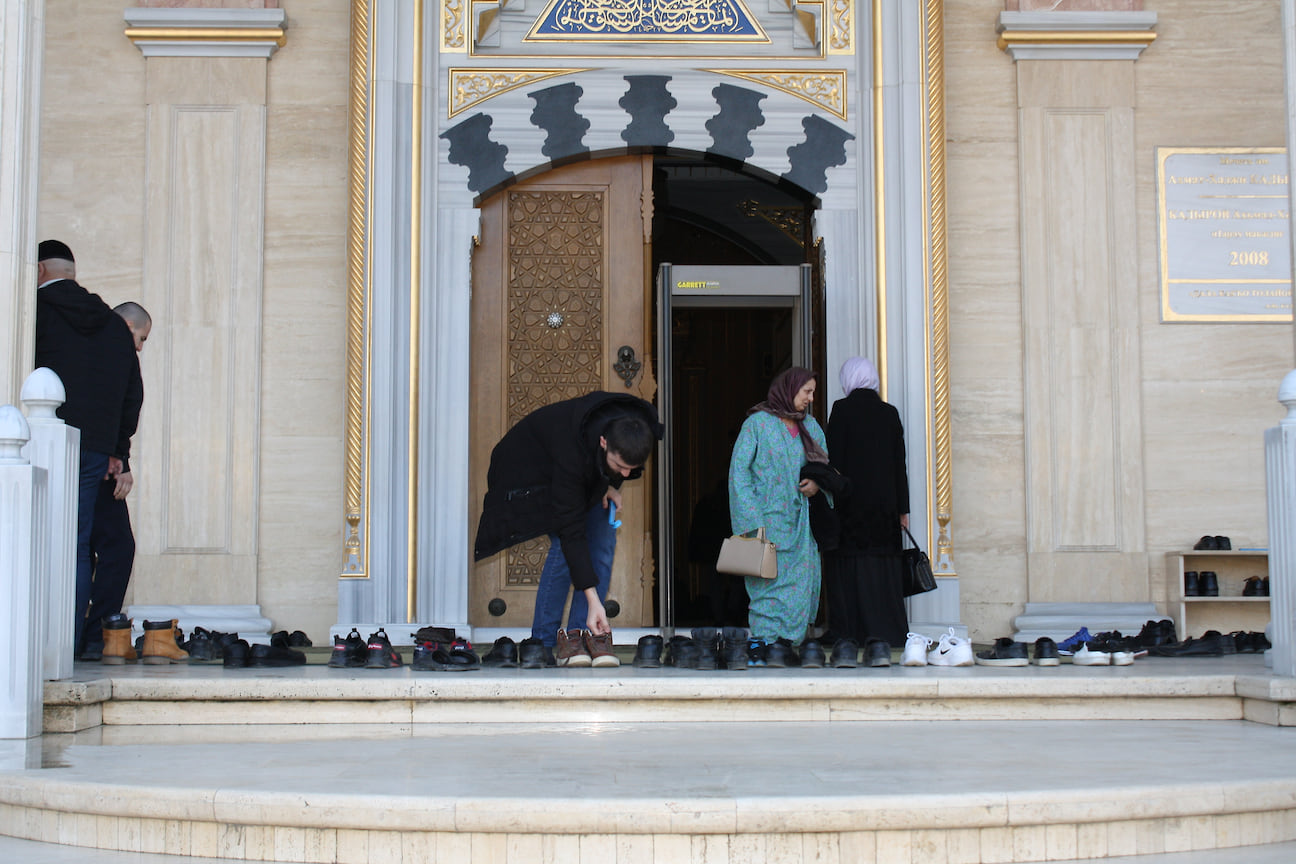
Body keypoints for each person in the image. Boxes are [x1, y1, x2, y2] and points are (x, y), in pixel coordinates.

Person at [473, 391, 662, 665]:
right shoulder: (570, 451)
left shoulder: (637, 429)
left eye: (630, 470)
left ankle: (580, 634)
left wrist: (611, 484)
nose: (624, 474)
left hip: (584, 471)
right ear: (603, 442)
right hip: (529, 474)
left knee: (603, 540)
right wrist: (594, 599)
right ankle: (545, 644)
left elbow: (620, 466)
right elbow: (571, 531)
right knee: (566, 547)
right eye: (619, 467)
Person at [34, 240, 143, 659]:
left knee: (53, 542)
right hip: (96, 453)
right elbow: (132, 394)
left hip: (43, 441)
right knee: (79, 544)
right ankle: (76, 643)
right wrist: (117, 449)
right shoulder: (113, 324)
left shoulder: (35, 312)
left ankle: (47, 643)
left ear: (40, 270)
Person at [727, 367, 828, 666]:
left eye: (812, 392)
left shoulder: (812, 428)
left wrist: (817, 484)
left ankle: (787, 645)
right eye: (806, 391)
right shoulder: (756, 425)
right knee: (765, 587)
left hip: (801, 524)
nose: (811, 398)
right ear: (789, 389)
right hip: (764, 522)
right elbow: (739, 474)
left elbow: (825, 468)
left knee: (799, 586)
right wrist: (752, 520)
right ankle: (764, 645)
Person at [822, 356, 911, 646]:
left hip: (851, 506)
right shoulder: (889, 413)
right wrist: (903, 510)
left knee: (851, 571)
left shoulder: (841, 409)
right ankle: (889, 634)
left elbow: (832, 459)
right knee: (882, 572)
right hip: (885, 509)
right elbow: (900, 465)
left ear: (848, 379)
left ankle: (851, 634)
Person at [81, 302, 152, 661]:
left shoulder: (81, 343)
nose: (139, 347)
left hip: (76, 454)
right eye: (140, 338)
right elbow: (122, 406)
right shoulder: (117, 348)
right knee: (117, 547)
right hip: (101, 461)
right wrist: (119, 458)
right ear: (127, 326)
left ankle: (86, 632)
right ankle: (98, 634)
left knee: (82, 548)